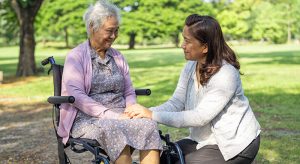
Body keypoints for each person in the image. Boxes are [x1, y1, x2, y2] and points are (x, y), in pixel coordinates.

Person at [126, 14, 261, 164]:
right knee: (165, 159)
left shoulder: (226, 74)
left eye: (187, 41)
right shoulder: (191, 66)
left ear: (205, 47)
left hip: (234, 144)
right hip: (205, 141)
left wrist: (152, 115)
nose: (182, 45)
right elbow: (176, 102)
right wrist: (145, 113)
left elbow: (200, 117)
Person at [57, 1, 162, 163]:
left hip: (121, 115)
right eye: (109, 31)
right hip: (88, 119)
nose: (114, 36)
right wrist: (111, 115)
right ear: (92, 27)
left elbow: (128, 90)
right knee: (114, 128)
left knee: (149, 125)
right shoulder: (76, 56)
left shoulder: (118, 57)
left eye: (116, 30)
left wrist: (132, 109)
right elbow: (76, 95)